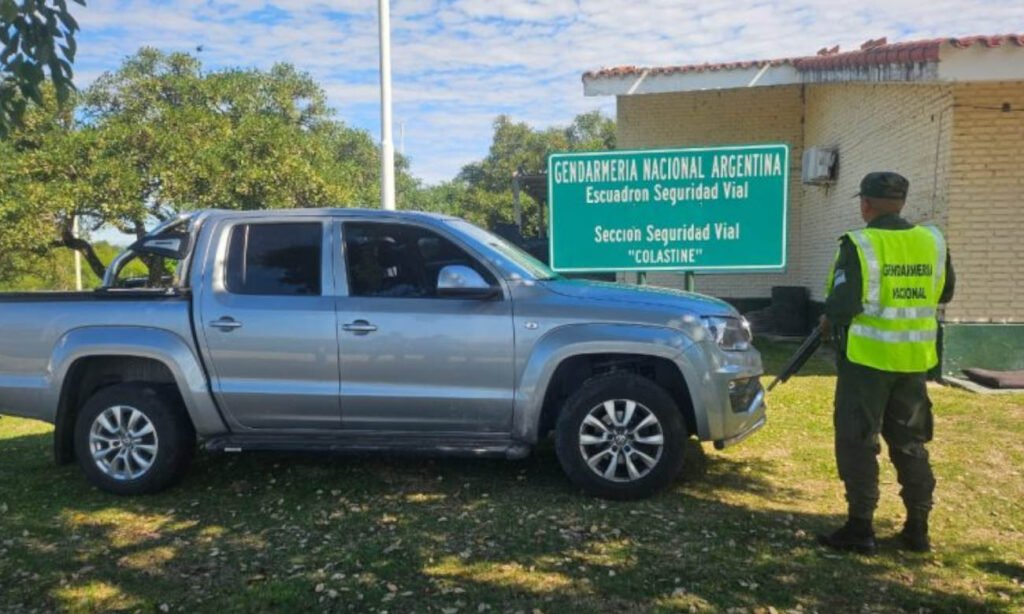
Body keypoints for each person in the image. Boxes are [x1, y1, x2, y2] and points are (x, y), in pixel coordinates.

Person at [817, 172, 955, 554]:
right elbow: (946, 289)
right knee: (911, 443)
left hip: (867, 362)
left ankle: (860, 527)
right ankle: (917, 528)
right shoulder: (931, 241)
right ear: (902, 203)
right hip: (914, 362)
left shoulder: (860, 244)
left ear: (866, 204)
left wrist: (828, 319)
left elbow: (844, 304)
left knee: (858, 441)